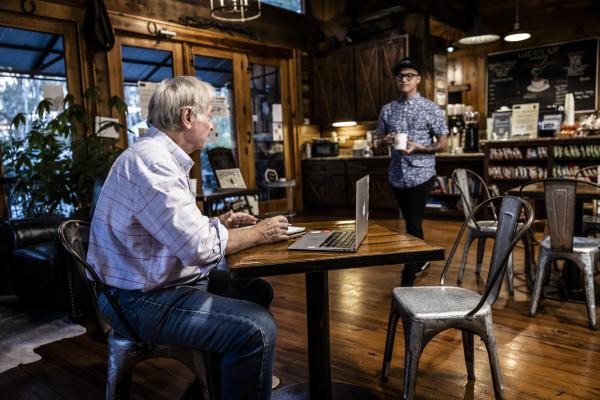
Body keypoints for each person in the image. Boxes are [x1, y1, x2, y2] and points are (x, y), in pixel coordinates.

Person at [87, 76, 288, 400]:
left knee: (255, 290)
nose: (212, 125)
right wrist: (258, 232)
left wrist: (214, 223)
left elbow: (170, 229)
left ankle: (214, 390)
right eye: (209, 115)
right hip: (137, 301)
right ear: (187, 117)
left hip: (149, 287)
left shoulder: (156, 157)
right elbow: (197, 248)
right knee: (256, 329)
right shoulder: (152, 163)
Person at [375, 57, 449, 287]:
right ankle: (422, 257)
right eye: (400, 76)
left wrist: (420, 147)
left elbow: (444, 144)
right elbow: (376, 141)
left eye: (409, 75)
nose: (404, 79)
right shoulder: (388, 109)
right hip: (397, 175)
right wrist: (385, 140)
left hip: (421, 174)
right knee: (411, 221)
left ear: (418, 79)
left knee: (413, 223)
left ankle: (408, 277)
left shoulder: (431, 108)